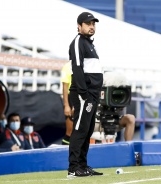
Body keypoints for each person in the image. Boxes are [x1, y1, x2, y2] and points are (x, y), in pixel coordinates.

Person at [68, 12, 103, 178]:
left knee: (88, 131)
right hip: (84, 94)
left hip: (93, 94)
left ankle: (82, 165)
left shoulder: (90, 44)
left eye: (93, 24)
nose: (91, 26)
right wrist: (84, 93)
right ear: (79, 26)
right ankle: (73, 168)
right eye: (88, 24)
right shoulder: (78, 43)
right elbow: (77, 68)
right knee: (80, 129)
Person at [61, 61, 74, 145]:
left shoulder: (87, 65)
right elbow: (65, 87)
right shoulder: (67, 66)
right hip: (71, 97)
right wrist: (66, 105)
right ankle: (65, 152)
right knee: (70, 131)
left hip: (83, 98)